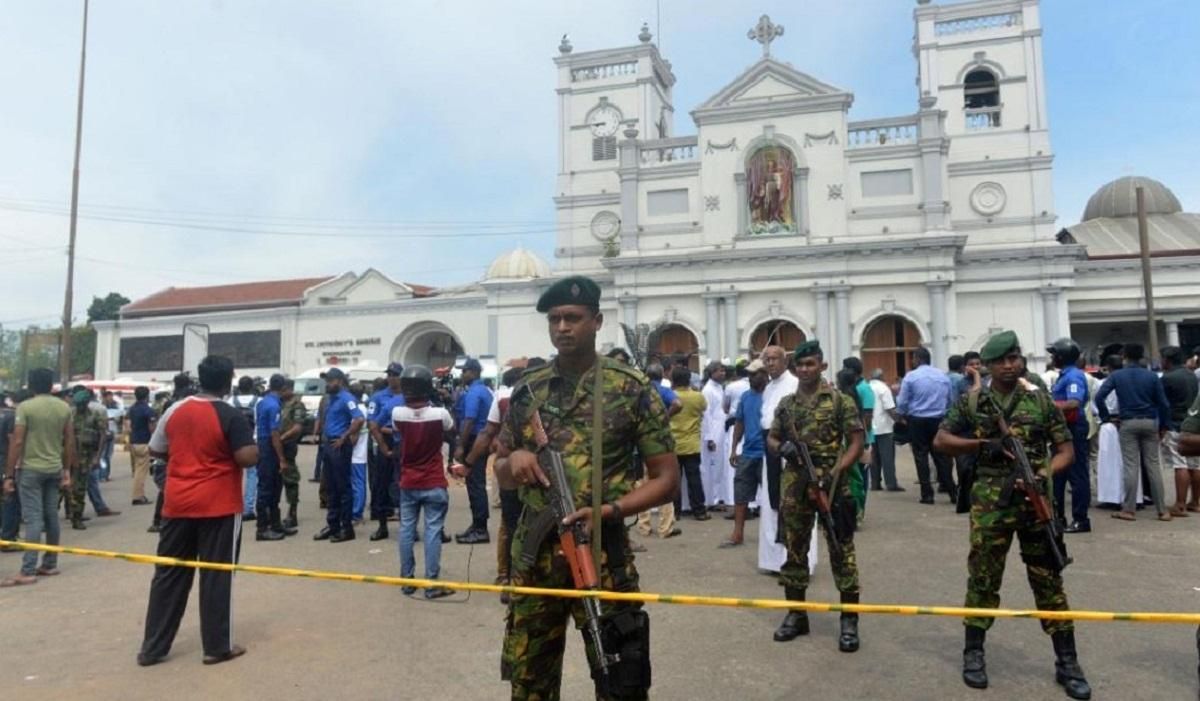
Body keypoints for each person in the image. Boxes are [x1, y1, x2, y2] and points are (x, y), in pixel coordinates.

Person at [495, 275, 678, 700]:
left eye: (573, 318)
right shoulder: (528, 390)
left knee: (621, 683)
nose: (562, 327)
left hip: (602, 557)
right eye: (555, 319)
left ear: (596, 322)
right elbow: (501, 466)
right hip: (536, 564)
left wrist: (609, 510)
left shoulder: (629, 387)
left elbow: (667, 480)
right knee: (530, 686)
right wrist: (514, 461)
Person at [933, 330, 1090, 699]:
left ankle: (1067, 661)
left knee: (1049, 579)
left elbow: (1065, 449)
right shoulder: (974, 402)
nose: (1010, 365)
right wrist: (984, 444)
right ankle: (974, 652)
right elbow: (941, 441)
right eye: (1001, 360)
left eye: (1015, 357)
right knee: (983, 578)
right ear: (986, 365)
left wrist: (1043, 474)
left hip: (1037, 503)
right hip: (990, 507)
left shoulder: (1039, 400)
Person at [137, 354, 258, 667]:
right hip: (218, 504)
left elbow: (156, 448)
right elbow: (246, 457)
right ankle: (217, 646)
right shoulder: (230, 414)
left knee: (168, 575)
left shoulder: (175, 409)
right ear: (228, 379)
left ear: (200, 379)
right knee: (216, 575)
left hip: (177, 503)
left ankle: (153, 648)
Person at [767, 340, 865, 651]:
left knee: (841, 549)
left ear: (822, 365)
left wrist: (837, 471)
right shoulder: (786, 404)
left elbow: (855, 442)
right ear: (794, 369)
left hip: (833, 484)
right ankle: (797, 615)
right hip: (796, 484)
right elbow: (772, 437)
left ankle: (849, 621)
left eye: (811, 364)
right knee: (795, 549)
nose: (805, 369)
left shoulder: (839, 402)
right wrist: (781, 447)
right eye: (801, 365)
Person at [2, 369, 74, 587]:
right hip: (54, 468)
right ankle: (50, 563)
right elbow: (69, 440)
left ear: (30, 386)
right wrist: (67, 470)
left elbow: (17, 442)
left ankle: (28, 569)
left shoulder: (25, 407)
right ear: (51, 385)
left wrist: (9, 474)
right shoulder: (63, 407)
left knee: (34, 518)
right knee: (51, 516)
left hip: (31, 469)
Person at [391, 365, 456, 600]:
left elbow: (400, 430)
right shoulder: (440, 414)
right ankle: (431, 582)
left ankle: (407, 580)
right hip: (433, 480)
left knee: (407, 530)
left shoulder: (398, 413)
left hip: (409, 481)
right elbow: (451, 429)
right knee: (432, 531)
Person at [1095, 343, 1172, 522]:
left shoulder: (1117, 376)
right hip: (1149, 421)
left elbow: (1100, 397)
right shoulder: (1151, 376)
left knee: (1131, 466)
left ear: (1124, 356)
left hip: (1127, 422)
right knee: (1153, 466)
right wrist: (1164, 426)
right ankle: (1162, 510)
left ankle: (1129, 509)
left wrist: (1107, 418)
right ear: (1141, 356)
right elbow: (1164, 404)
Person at [313, 367, 366, 542]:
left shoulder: (347, 398)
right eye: (327, 381)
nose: (328, 384)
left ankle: (346, 527)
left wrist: (344, 437)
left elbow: (359, 419)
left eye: (331, 381)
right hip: (328, 444)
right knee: (330, 487)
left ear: (340, 381)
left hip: (339, 446)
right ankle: (333, 524)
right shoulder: (330, 399)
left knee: (343, 488)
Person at [898, 347, 956, 504]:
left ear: (917, 359)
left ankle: (927, 494)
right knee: (942, 456)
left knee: (921, 456)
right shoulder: (942, 376)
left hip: (918, 420)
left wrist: (902, 414)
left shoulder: (911, 377)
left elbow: (902, 401)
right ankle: (952, 491)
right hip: (938, 419)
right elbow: (950, 400)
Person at [759, 345, 798, 574]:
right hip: (770, 448)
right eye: (767, 359)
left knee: (789, 505)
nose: (770, 363)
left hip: (787, 449)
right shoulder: (768, 387)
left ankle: (792, 559)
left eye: (774, 359)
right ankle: (774, 560)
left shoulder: (792, 384)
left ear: (785, 361)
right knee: (772, 504)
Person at [1046, 338, 1092, 534]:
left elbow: (1074, 402)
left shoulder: (1073, 376)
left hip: (1073, 428)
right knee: (1058, 474)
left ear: (1061, 356)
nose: (1052, 357)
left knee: (1076, 474)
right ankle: (1058, 517)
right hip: (1062, 428)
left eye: (1054, 354)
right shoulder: (1064, 375)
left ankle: (1081, 519)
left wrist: (1048, 406)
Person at [722, 359, 768, 547]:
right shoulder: (746, 397)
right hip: (748, 452)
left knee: (772, 497)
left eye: (755, 374)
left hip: (767, 454)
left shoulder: (772, 395)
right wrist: (734, 448)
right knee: (740, 494)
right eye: (749, 374)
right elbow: (739, 423)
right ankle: (737, 533)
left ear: (765, 375)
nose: (750, 377)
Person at [636, 362, 683, 540]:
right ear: (662, 374)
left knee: (642, 483)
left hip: (640, 442)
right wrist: (665, 418)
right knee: (665, 481)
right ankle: (665, 527)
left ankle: (644, 526)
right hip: (661, 443)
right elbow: (678, 404)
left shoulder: (640, 390)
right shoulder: (662, 390)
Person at [451, 357, 493, 545]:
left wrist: (460, 445)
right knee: (475, 483)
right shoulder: (483, 390)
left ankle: (480, 528)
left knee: (475, 484)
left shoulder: (475, 393)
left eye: (464, 371)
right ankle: (477, 525)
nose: (462, 374)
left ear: (473, 372)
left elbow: (469, 420)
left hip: (475, 440)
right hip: (481, 439)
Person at [67, 387, 118, 529]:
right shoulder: (70, 414)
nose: (81, 407)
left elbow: (102, 435)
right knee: (63, 488)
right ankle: (60, 515)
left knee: (80, 488)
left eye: (83, 404)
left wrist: (97, 457)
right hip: (70, 455)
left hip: (86, 457)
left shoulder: (94, 415)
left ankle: (76, 517)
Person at [1159, 346, 1200, 515]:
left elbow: (1162, 404)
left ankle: (1180, 504)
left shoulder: (1166, 378)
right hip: (1194, 425)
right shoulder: (1192, 375)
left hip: (1175, 425)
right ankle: (1196, 502)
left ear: (1167, 360)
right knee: (1196, 465)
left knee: (1179, 464)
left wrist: (1162, 426)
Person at [367, 363, 405, 541]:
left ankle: (407, 525)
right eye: (389, 374)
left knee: (404, 484)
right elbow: (372, 423)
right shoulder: (378, 397)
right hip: (384, 441)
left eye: (395, 375)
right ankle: (382, 525)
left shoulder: (408, 396)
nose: (392, 378)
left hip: (403, 441)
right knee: (381, 483)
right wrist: (383, 447)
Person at [253, 374, 291, 541]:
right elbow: (274, 433)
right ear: (283, 388)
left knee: (275, 486)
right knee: (267, 488)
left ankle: (275, 524)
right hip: (268, 447)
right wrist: (281, 458)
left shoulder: (263, 402)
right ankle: (262, 528)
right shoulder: (274, 406)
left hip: (263, 444)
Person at [671, 365, 709, 520]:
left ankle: (675, 512)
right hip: (692, 443)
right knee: (694, 479)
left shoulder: (670, 396)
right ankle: (699, 511)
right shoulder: (697, 396)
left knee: (675, 480)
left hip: (674, 443)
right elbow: (704, 409)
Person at [278, 379, 307, 530]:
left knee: (290, 478)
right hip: (276, 444)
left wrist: (281, 438)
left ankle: (292, 513)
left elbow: (297, 427)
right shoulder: (279, 403)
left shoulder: (297, 404)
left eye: (283, 390)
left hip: (287, 444)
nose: (281, 393)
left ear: (290, 389)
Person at [229, 376, 260, 521]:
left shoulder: (230, 402)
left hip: (233, 442)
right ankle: (248, 507)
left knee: (232, 473)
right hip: (252, 441)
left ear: (239, 388)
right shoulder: (258, 402)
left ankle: (231, 505)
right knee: (252, 474)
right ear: (252, 386)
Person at [700, 361, 729, 510]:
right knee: (712, 467)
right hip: (713, 432)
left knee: (720, 466)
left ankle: (720, 497)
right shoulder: (708, 390)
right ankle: (712, 500)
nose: (723, 373)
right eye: (720, 371)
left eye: (724, 371)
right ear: (711, 373)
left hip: (721, 429)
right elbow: (706, 415)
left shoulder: (719, 388)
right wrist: (710, 438)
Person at [867, 369, 902, 491]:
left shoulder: (867, 387)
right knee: (887, 457)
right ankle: (891, 483)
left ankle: (875, 483)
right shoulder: (884, 388)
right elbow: (890, 408)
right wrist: (899, 420)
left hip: (870, 427)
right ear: (882, 377)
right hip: (884, 428)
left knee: (874, 458)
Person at [0, 391, 22, 549]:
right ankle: (8, 538)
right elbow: (13, 441)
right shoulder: (10, 416)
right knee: (11, 500)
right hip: (6, 463)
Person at [129, 385, 157, 506]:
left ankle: (138, 494)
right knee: (141, 471)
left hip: (134, 441)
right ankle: (138, 496)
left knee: (137, 469)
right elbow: (152, 428)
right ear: (147, 396)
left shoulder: (132, 409)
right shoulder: (148, 410)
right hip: (144, 442)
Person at [348, 381, 370, 524]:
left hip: (356, 453)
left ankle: (356, 513)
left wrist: (348, 445)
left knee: (357, 483)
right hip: (361, 452)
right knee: (359, 482)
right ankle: (357, 511)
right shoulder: (364, 408)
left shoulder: (358, 411)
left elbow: (354, 434)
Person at [100, 390, 124, 482]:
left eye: (111, 397)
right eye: (109, 397)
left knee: (108, 455)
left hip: (112, 432)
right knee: (102, 455)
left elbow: (119, 420)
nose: (110, 399)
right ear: (104, 397)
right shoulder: (101, 408)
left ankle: (106, 474)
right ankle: (102, 474)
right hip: (103, 433)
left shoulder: (115, 407)